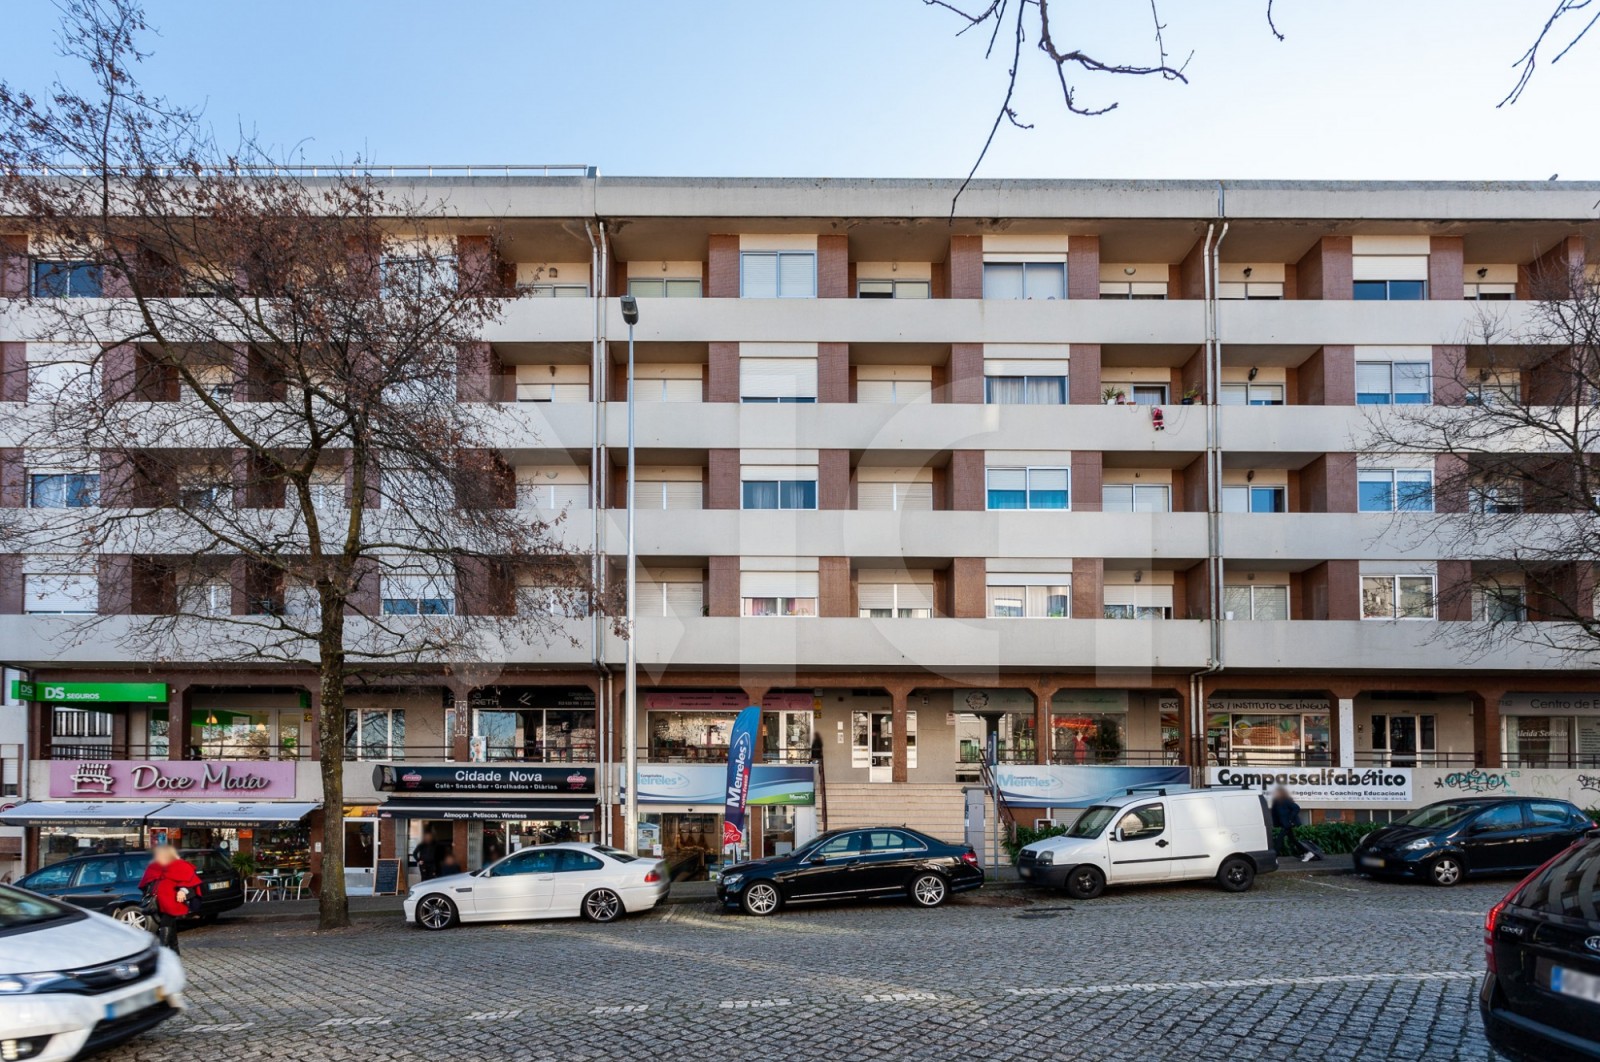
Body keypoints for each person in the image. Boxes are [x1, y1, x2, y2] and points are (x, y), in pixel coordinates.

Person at [138, 845, 202, 953]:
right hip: (158, 901)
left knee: (166, 922)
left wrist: (183, 890)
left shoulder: (180, 865)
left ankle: (162, 951)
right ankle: (174, 952)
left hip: (173, 900)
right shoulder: (154, 866)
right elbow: (146, 881)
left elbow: (189, 880)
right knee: (170, 924)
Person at [1270, 786, 1314, 862]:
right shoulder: (1276, 802)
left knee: (1279, 840)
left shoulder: (1285, 800)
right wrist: (1276, 824)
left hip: (1288, 824)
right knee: (1293, 840)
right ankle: (1307, 852)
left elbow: (1296, 808)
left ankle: (1274, 858)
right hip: (1285, 824)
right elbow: (1275, 814)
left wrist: (1290, 819)